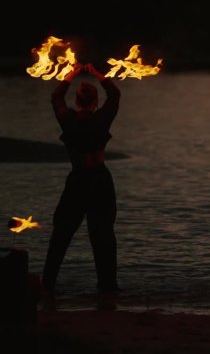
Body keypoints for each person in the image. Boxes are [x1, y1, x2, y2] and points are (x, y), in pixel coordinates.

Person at [42, 63, 121, 300]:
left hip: (77, 181)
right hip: (100, 181)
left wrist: (71, 73)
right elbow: (115, 94)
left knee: (62, 234)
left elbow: (56, 96)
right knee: (103, 236)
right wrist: (95, 72)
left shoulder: (68, 119)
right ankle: (107, 288)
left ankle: (47, 285)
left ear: (76, 101)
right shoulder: (101, 119)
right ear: (95, 102)